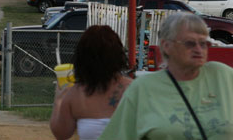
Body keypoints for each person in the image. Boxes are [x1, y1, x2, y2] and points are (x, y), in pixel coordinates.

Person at [99, 12, 233, 139]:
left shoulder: (223, 76)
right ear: (166, 45)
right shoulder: (143, 89)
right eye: (190, 43)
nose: (199, 49)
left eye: (203, 43)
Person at [49, 25, 132, 140]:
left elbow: (61, 134)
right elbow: (61, 134)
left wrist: (58, 99)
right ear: (118, 55)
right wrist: (59, 100)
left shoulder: (76, 93)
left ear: (82, 58)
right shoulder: (133, 88)